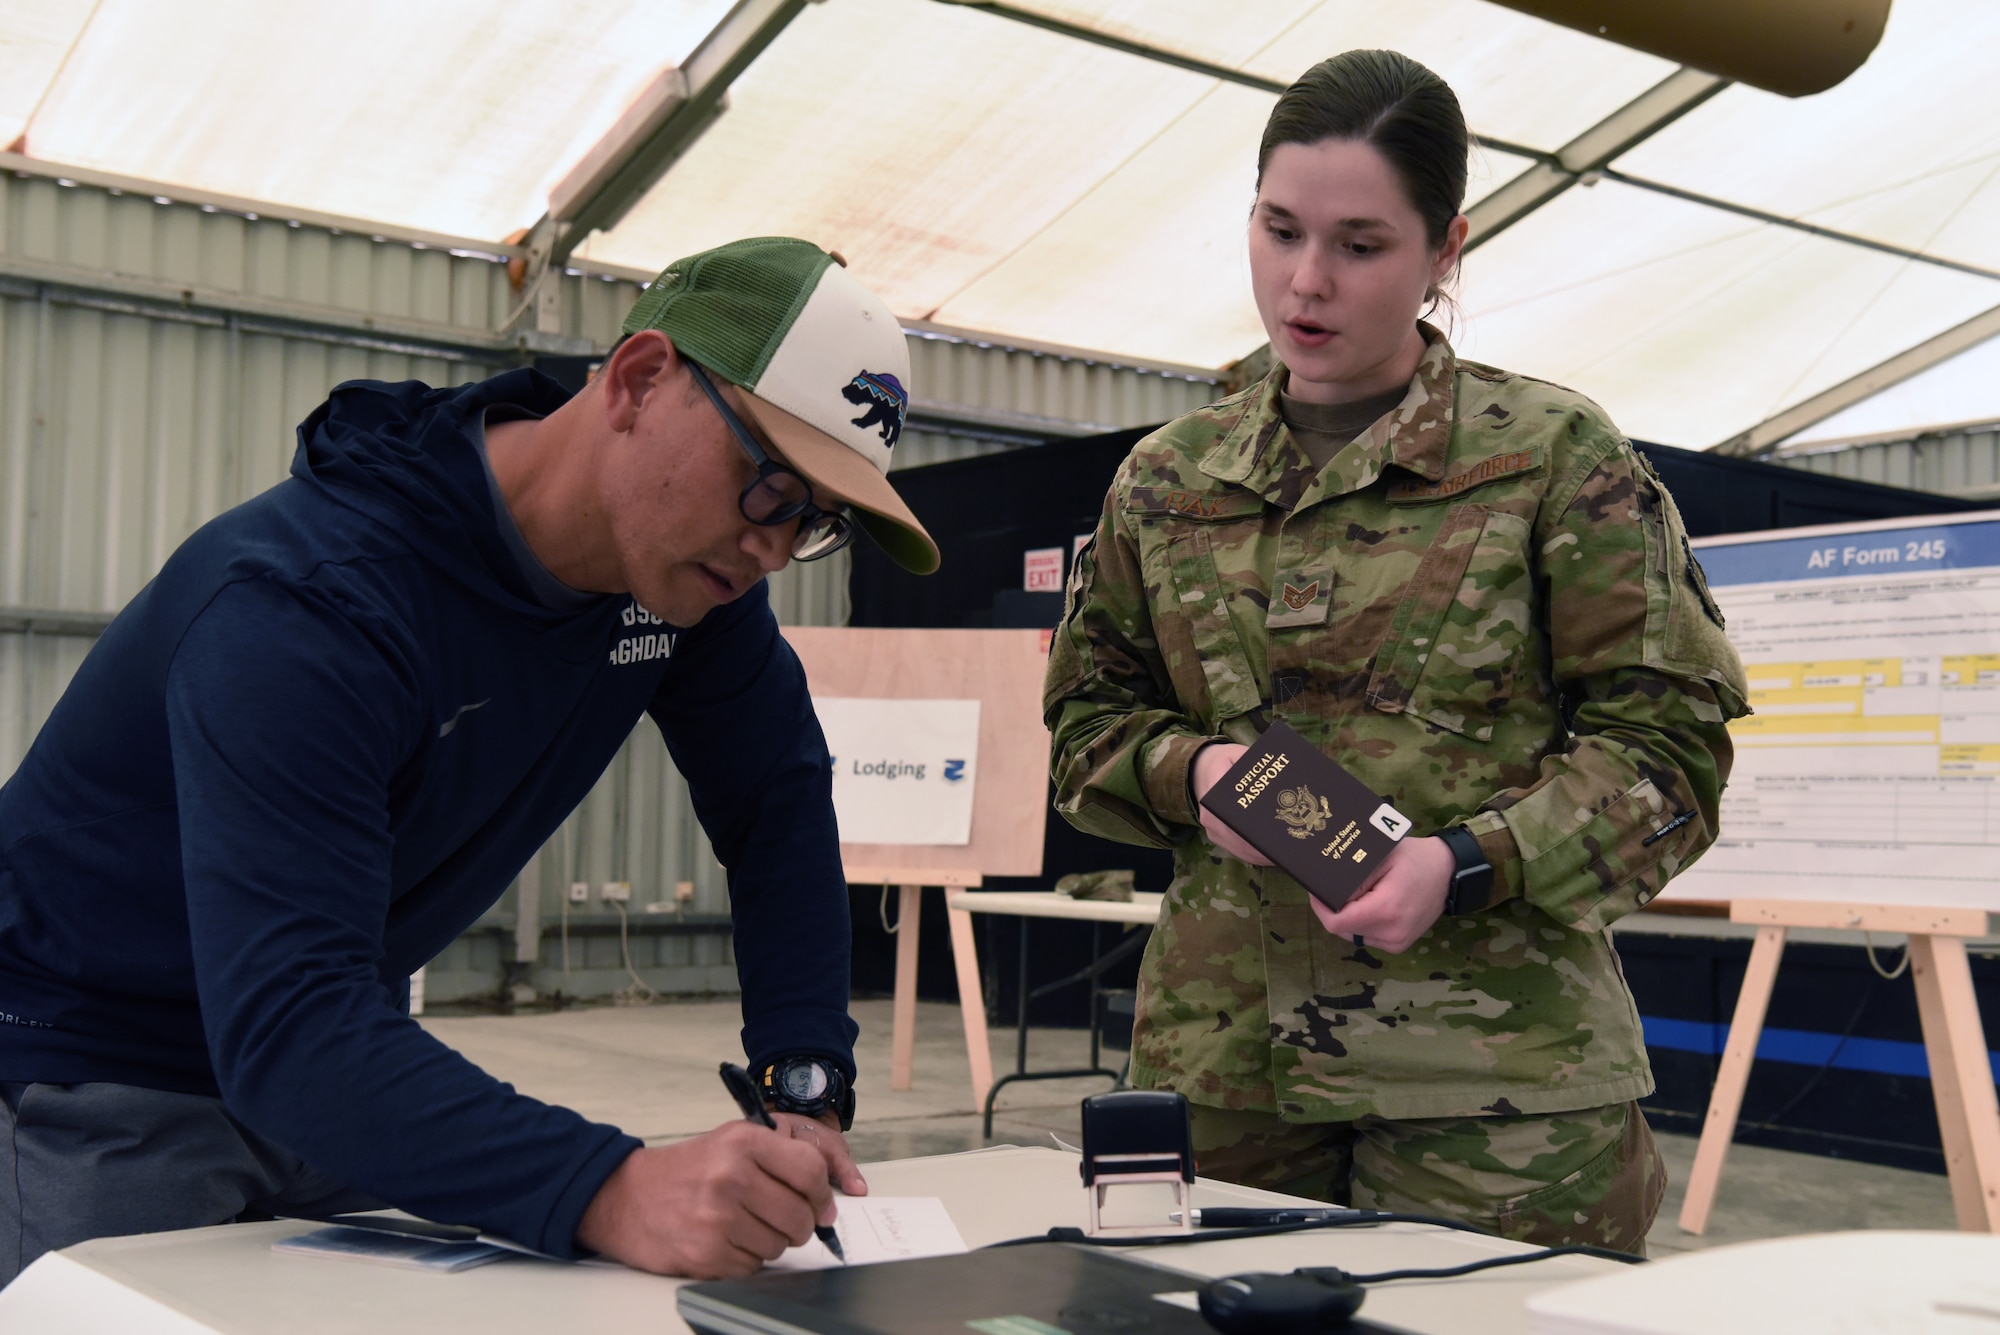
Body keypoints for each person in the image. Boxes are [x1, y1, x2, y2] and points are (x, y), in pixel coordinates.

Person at [0, 237, 938, 1283]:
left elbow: (776, 802)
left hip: (326, 1068)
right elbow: (287, 1024)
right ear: (637, 381)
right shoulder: (311, 606)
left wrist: (802, 1081)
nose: (773, 545)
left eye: (817, 521)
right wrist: (610, 1187)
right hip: (101, 1070)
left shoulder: (684, 581)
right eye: (769, 485)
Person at [1044, 50, 1748, 1253]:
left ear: (1443, 249)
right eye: (1278, 230)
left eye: (1360, 246)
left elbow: (1667, 757)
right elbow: (1083, 730)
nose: (1304, 283)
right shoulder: (1165, 480)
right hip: (1224, 1074)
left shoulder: (1549, 457)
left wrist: (1463, 866)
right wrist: (1192, 778)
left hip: (1494, 1096)